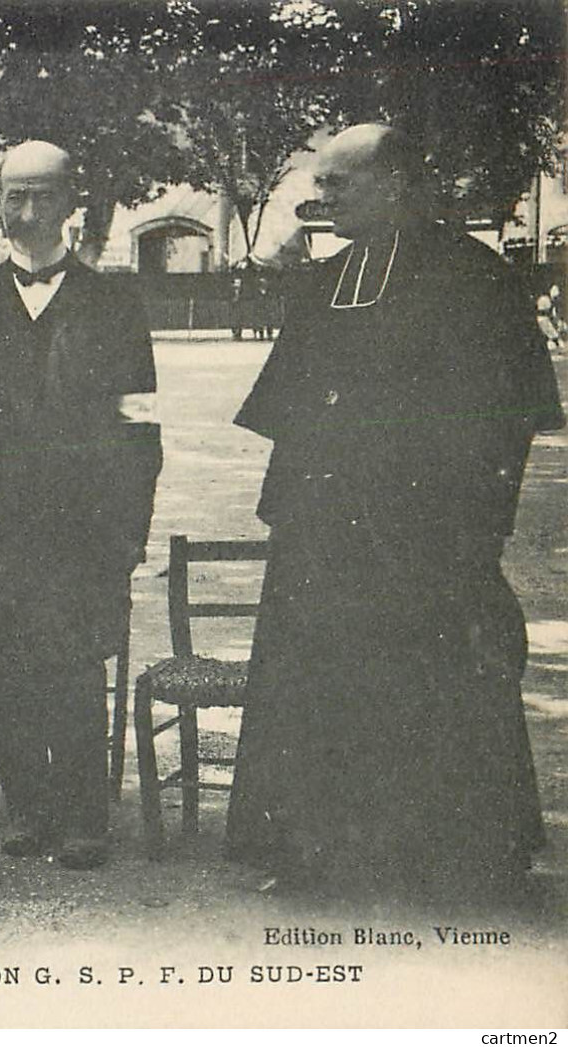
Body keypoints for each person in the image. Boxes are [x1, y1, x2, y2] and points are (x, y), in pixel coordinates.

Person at [225, 124, 564, 902]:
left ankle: (456, 857)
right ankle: (318, 852)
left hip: (430, 535)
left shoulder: (477, 280)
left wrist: (478, 530)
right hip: (323, 535)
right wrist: (293, 518)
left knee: (435, 688)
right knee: (324, 688)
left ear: (396, 184)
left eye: (337, 183)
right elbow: (292, 411)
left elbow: (506, 423)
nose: (320, 197)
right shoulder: (320, 282)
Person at [0, 141, 162, 870]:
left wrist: (127, 530)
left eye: (41, 197)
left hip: (82, 528)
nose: (25, 212)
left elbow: (139, 424)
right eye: (12, 197)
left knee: (73, 666)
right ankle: (24, 803)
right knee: (1, 665)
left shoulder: (113, 300)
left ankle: (83, 814)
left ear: (69, 203)